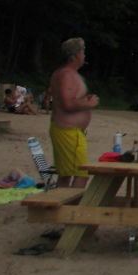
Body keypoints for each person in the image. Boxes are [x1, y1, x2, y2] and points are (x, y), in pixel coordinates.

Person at [48, 37, 99, 187]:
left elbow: (69, 99)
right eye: (83, 52)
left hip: (68, 131)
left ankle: (61, 206)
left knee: (66, 174)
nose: (84, 55)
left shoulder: (63, 73)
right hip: (68, 131)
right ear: (76, 55)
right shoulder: (67, 74)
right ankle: (72, 208)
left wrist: (84, 100)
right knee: (81, 174)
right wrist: (89, 103)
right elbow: (67, 104)